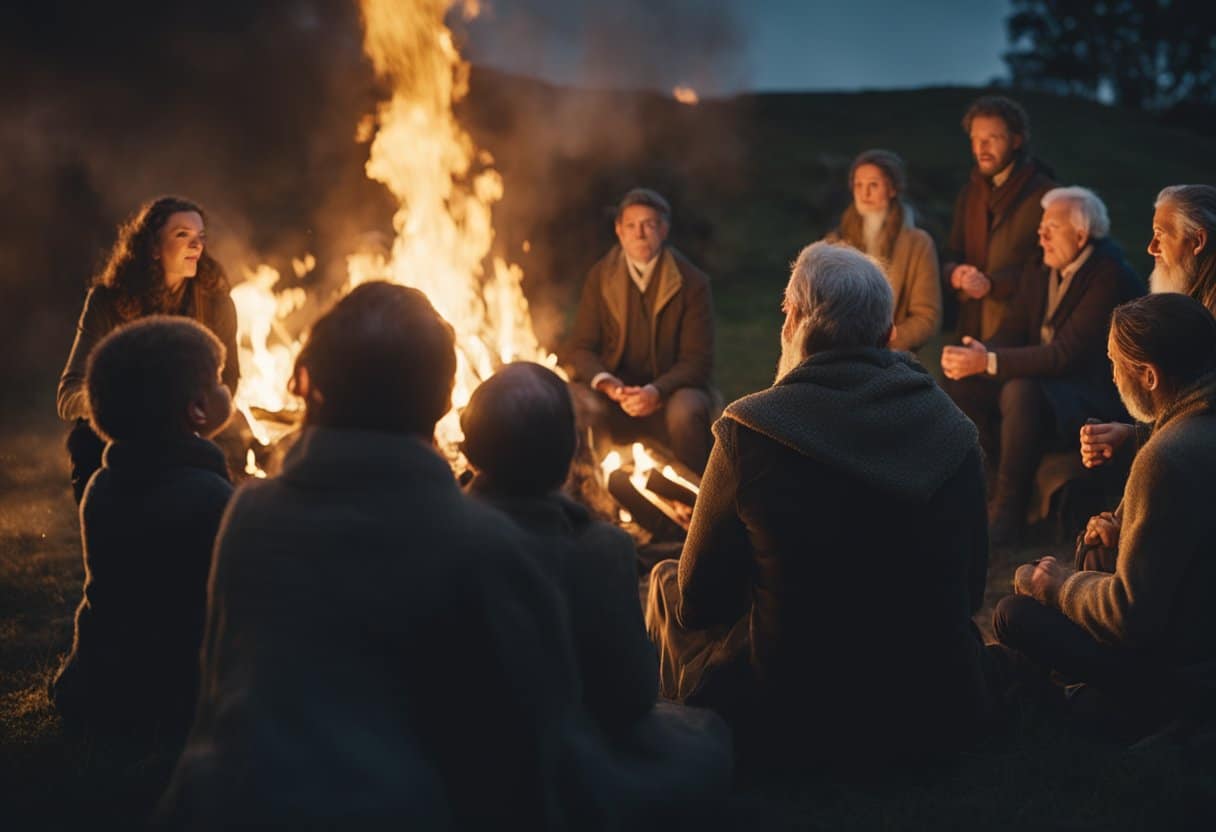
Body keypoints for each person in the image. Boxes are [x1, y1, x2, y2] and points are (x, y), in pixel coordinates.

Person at [160, 283, 581, 829]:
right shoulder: (484, 545)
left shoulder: (250, 515)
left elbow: (219, 707)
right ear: (446, 399)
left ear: (308, 384)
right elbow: (530, 753)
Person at [646, 242, 994, 769]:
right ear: (886, 334)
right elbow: (970, 589)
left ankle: (676, 733)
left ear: (793, 324)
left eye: (785, 313)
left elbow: (698, 601)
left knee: (664, 583)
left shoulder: (749, 433)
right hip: (934, 705)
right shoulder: (953, 432)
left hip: (790, 716)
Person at [461, 362, 732, 820]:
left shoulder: (437, 534)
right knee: (705, 736)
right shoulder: (598, 550)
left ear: (468, 454)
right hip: (556, 761)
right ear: (571, 453)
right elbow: (631, 694)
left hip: (459, 756)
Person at [993, 293, 1216, 738]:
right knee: (1092, 556)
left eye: (1115, 364)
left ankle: (1071, 712)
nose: (1112, 376)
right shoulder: (1195, 429)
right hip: (1198, 638)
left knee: (1013, 610)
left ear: (1149, 376)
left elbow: (1129, 617)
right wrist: (1126, 529)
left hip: (1180, 672)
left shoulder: (1166, 458)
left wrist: (1056, 585)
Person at [49, 317, 234, 745]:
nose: (227, 388)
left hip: (102, 677)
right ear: (198, 410)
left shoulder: (101, 485)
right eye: (220, 380)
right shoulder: (208, 496)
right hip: (171, 689)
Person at [942, 187, 1142, 545]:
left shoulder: (1108, 275)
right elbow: (1014, 331)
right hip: (1048, 383)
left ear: (1081, 236)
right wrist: (977, 351)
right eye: (1041, 227)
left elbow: (1067, 354)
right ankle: (982, 486)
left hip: (1088, 394)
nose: (1041, 234)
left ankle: (1009, 511)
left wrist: (988, 361)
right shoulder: (1042, 267)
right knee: (963, 382)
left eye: (1052, 227)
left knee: (1021, 390)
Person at [57, 196, 240, 503]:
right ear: (153, 247)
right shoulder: (107, 301)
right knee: (86, 442)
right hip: (123, 442)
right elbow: (68, 396)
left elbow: (229, 381)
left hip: (189, 438)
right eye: (183, 235)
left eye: (200, 237)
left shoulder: (216, 305)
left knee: (227, 460)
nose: (196, 246)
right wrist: (121, 409)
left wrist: (194, 421)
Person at [564, 187, 715, 474]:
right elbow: (582, 348)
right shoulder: (600, 277)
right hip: (615, 393)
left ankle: (695, 496)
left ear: (664, 229)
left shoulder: (692, 282)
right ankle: (594, 492)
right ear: (619, 231)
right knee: (576, 401)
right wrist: (608, 384)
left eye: (650, 224)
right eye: (631, 226)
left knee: (688, 409)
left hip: (670, 391)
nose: (640, 234)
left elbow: (697, 362)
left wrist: (655, 391)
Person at [1081, 184, 1216, 468]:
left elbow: (1203, 416)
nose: (1151, 248)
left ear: (1198, 241)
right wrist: (1135, 436)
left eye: (1160, 235)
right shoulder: (1197, 296)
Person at [943, 95, 1056, 341]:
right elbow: (953, 252)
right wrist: (955, 273)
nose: (982, 147)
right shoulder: (971, 193)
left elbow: (1050, 270)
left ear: (1017, 139)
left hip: (1020, 329)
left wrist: (993, 284)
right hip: (971, 326)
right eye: (975, 138)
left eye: (992, 138)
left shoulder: (1045, 196)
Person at [826, 149, 941, 353]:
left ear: (893, 189)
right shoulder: (836, 242)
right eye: (858, 185)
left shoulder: (918, 244)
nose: (864, 193)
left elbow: (927, 317)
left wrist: (886, 341)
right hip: (841, 352)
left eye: (873, 185)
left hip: (891, 356)